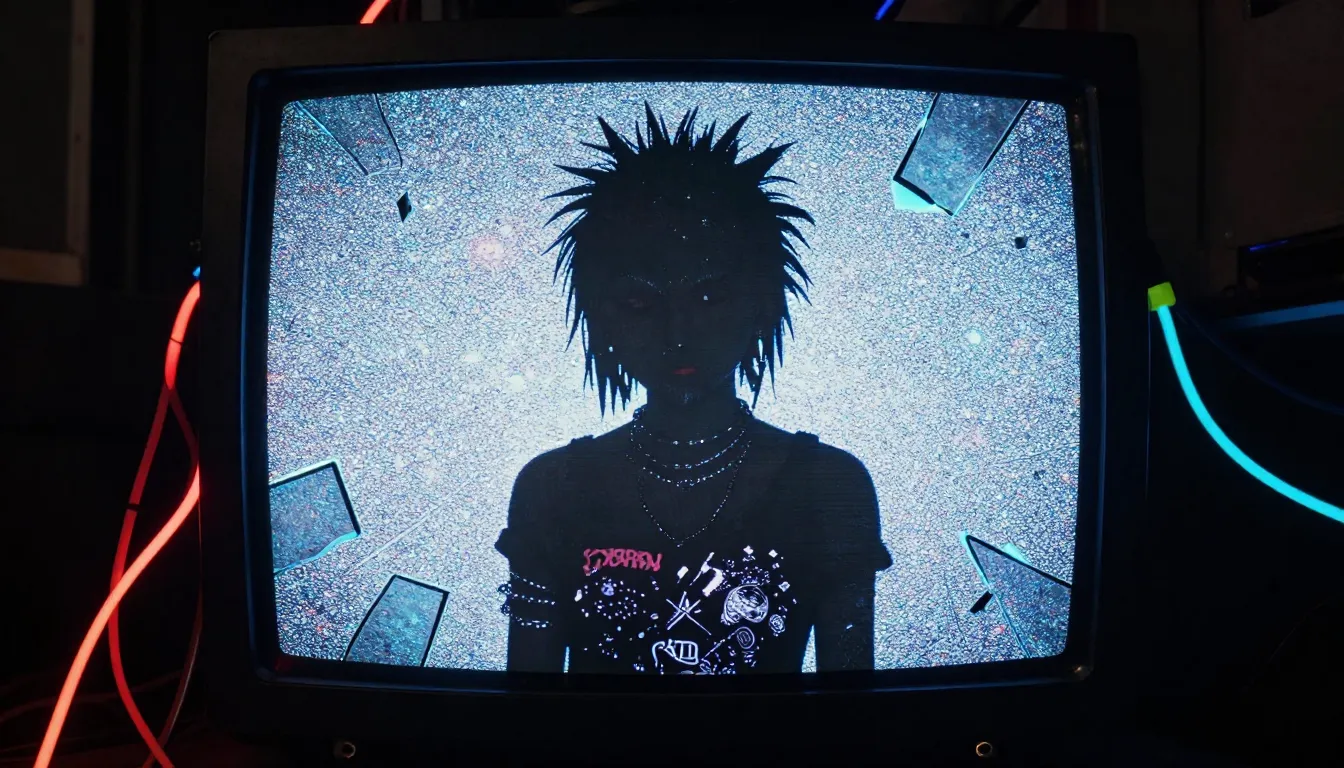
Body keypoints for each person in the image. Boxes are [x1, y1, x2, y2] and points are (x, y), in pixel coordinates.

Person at [495, 105, 891, 675]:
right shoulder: (553, 487)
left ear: (759, 303)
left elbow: (851, 706)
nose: (678, 333)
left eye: (710, 296)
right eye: (640, 302)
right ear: (602, 317)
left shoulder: (828, 486)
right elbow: (525, 707)